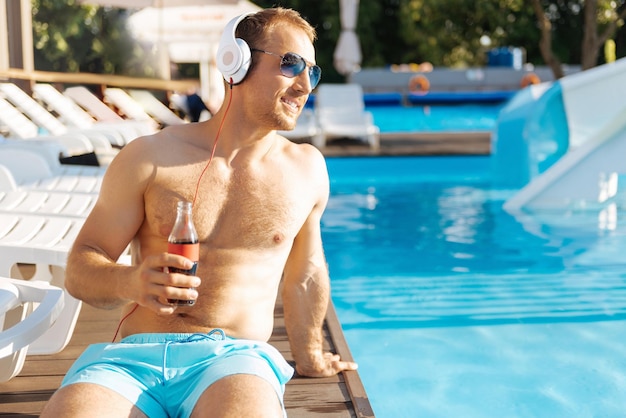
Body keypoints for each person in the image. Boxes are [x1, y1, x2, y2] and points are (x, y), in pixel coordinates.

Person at [41, 7, 357, 418]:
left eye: (311, 72)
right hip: (131, 361)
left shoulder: (306, 168)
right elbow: (80, 268)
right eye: (291, 64)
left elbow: (307, 273)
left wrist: (310, 354)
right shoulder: (149, 156)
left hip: (233, 359)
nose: (304, 85)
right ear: (235, 63)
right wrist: (131, 281)